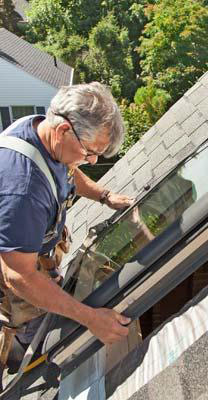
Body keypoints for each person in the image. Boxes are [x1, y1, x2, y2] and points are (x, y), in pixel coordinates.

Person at [0, 82, 133, 381]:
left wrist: (104, 195)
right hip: (16, 273)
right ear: (63, 131)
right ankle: (17, 355)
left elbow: (69, 172)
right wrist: (91, 319)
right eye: (90, 152)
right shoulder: (23, 190)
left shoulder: (43, 132)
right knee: (25, 325)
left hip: (30, 251)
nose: (92, 160)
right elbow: (18, 276)